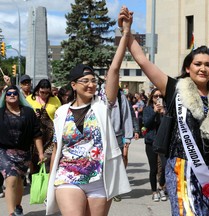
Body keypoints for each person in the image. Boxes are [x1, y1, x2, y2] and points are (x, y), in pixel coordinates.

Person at [120, 8, 209, 215]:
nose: (203, 68)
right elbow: (143, 62)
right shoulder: (175, 88)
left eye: (208, 65)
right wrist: (127, 31)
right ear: (188, 68)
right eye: (197, 64)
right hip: (181, 164)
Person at [46, 7, 132, 216]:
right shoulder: (62, 112)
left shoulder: (102, 104)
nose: (91, 85)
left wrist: (125, 33)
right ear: (73, 85)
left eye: (94, 80)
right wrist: (51, 177)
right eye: (85, 81)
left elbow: (114, 69)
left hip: (99, 178)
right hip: (68, 176)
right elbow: (58, 147)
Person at [0, 85, 44, 216]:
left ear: (19, 96)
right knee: (11, 180)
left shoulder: (28, 113)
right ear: (5, 97)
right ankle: (11, 212)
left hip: (24, 152)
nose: (12, 95)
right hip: (4, 152)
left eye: (14, 93)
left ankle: (18, 205)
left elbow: (37, 134)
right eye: (9, 93)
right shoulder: (0, 112)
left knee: (20, 181)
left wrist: (40, 153)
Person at [26, 79, 61, 174]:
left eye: (47, 93)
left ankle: (47, 181)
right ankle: (35, 181)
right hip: (35, 135)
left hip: (50, 136)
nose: (44, 95)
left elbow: (60, 115)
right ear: (38, 90)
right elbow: (24, 114)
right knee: (35, 160)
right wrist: (33, 115)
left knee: (47, 159)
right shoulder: (30, 99)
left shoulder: (55, 100)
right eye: (42, 92)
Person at [143, 88, 167, 202]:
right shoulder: (147, 109)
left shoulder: (166, 110)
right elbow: (147, 124)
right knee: (153, 169)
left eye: (160, 96)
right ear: (151, 98)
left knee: (165, 166)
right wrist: (154, 112)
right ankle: (154, 191)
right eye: (155, 96)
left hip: (162, 143)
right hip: (151, 142)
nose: (158, 98)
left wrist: (163, 114)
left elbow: (168, 126)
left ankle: (161, 186)